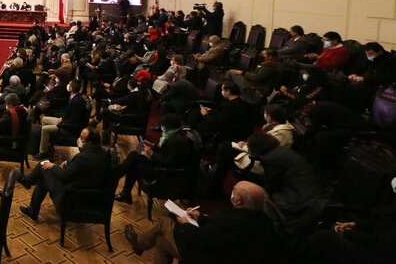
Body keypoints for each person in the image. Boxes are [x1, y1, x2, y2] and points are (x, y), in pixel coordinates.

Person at [124, 181, 276, 264]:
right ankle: (140, 243)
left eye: (234, 191)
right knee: (160, 240)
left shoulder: (233, 221)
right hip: (218, 253)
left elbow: (203, 240)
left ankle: (139, 243)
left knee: (164, 223)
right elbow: (217, 230)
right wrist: (200, 217)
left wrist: (185, 224)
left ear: (238, 200)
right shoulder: (263, 221)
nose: (231, 192)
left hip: (207, 257)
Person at [18, 126, 113, 222]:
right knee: (43, 178)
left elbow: (64, 176)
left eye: (82, 138)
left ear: (88, 143)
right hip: (90, 197)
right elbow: (82, 168)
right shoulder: (104, 154)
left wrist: (52, 166)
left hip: (72, 197)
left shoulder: (83, 158)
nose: (79, 140)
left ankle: (27, 181)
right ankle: (32, 211)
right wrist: (68, 162)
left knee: (42, 165)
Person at [246, 132, 329, 235]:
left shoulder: (270, 158)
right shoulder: (281, 151)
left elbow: (271, 184)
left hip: (300, 199)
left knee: (262, 197)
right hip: (312, 192)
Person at [115, 113, 194, 204]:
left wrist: (151, 153)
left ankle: (117, 179)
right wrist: (153, 146)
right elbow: (164, 151)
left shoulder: (177, 141)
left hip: (164, 173)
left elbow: (167, 162)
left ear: (169, 127)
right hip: (159, 164)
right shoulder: (174, 135)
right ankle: (124, 191)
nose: (162, 129)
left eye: (163, 127)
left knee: (134, 161)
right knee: (134, 157)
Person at [34, 79, 89, 159]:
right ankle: (46, 144)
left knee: (45, 129)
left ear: (71, 88)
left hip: (69, 128)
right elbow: (68, 113)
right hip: (65, 121)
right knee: (44, 119)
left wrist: (61, 123)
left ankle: (43, 152)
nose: (68, 85)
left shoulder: (77, 101)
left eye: (69, 85)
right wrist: (62, 118)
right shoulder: (73, 97)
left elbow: (74, 121)